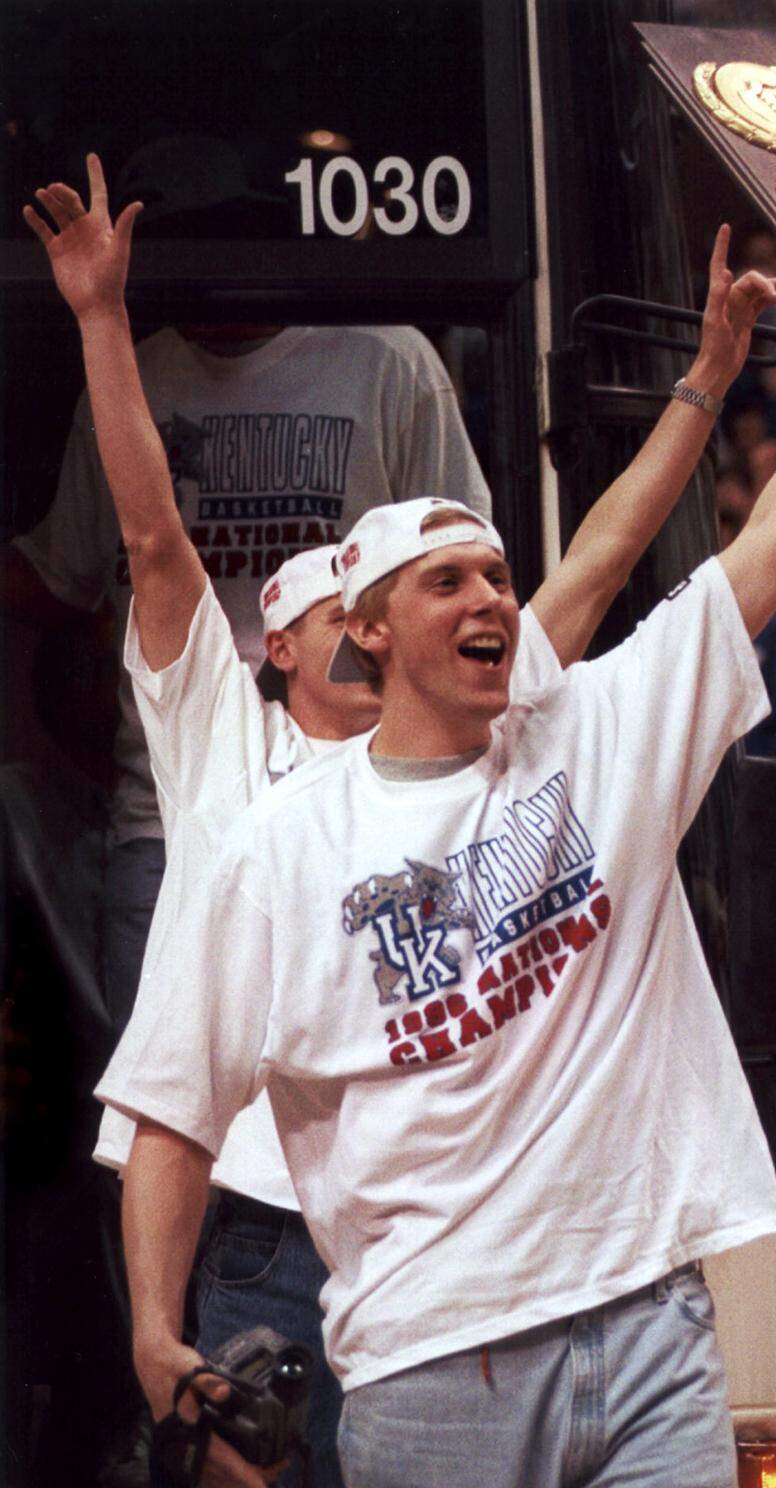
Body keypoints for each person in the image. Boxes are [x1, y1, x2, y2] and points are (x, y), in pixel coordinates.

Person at [98, 205, 776, 1488]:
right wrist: (159, 1339)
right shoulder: (268, 844)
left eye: (500, 577)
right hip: (430, 1357)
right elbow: (169, 1111)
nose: (490, 599)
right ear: (366, 634)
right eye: (447, 578)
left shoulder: (593, 732)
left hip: (652, 1328)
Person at [9, 170, 491, 1044]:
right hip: (172, 825)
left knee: (365, 1104)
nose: (216, 270)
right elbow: (70, 576)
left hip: (370, 808)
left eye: (234, 237)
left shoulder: (386, 359)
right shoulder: (132, 379)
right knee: (173, 1121)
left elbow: (474, 569)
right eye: (189, 245)